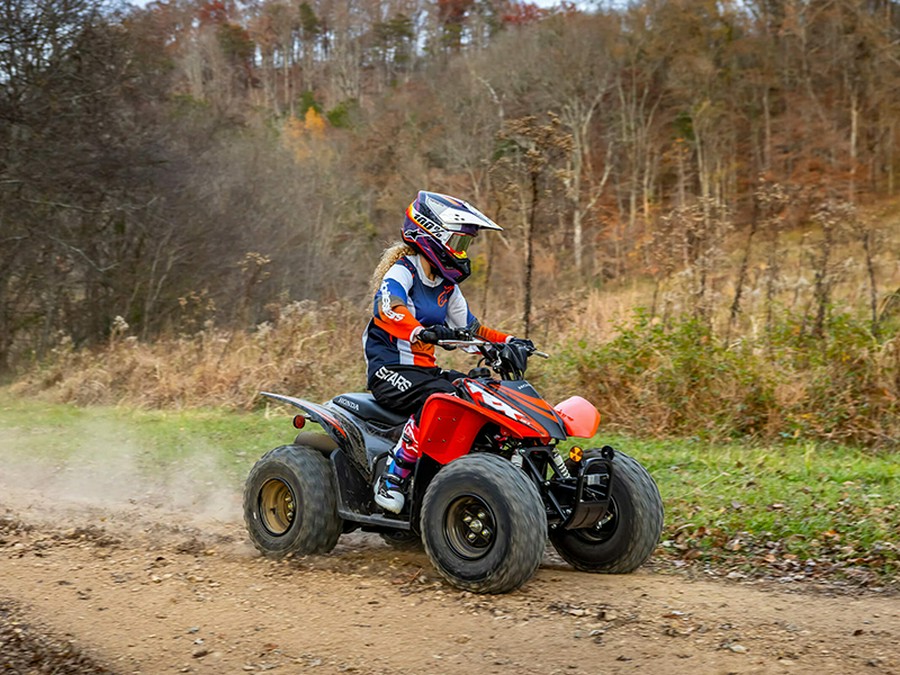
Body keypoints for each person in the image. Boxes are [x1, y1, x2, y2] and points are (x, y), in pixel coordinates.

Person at [363, 190, 526, 514]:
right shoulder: (402, 272)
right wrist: (419, 330)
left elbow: (472, 330)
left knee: (477, 393)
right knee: (440, 399)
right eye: (458, 242)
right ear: (431, 236)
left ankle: (489, 466)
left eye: (465, 244)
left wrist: (509, 341)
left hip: (423, 372)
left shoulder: (448, 288)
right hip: (389, 370)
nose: (462, 251)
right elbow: (388, 310)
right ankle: (392, 478)